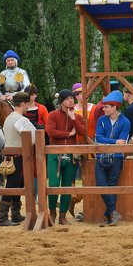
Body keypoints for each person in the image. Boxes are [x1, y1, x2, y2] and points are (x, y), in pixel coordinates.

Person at [45, 89, 85, 225]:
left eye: (72, 98)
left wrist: (74, 119)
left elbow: (82, 132)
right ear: (62, 101)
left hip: (71, 155)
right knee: (54, 185)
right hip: (55, 154)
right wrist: (68, 135)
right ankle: (52, 213)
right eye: (68, 99)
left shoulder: (77, 117)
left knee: (67, 186)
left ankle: (63, 215)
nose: (71, 101)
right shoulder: (53, 115)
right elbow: (50, 132)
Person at [0, 92, 36, 227]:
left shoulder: (9, 118)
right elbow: (33, 138)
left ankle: (15, 214)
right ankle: (2, 217)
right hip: (18, 158)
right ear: (24, 103)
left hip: (9, 157)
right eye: (28, 104)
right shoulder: (21, 120)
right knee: (12, 186)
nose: (28, 106)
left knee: (16, 185)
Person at [93, 90, 129, 226]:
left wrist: (109, 142)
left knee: (112, 185)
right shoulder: (101, 120)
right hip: (101, 156)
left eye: (106, 106)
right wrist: (114, 142)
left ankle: (108, 215)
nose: (103, 108)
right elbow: (99, 138)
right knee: (101, 185)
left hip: (117, 157)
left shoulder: (126, 122)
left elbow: (123, 141)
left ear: (114, 107)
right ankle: (113, 212)